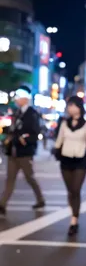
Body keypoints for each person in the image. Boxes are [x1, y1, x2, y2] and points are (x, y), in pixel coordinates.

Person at [54, 96, 86, 235]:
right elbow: (59, 140)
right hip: (66, 160)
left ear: (79, 107)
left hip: (81, 161)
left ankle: (74, 220)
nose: (70, 108)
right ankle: (74, 213)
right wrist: (55, 152)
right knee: (70, 191)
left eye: (72, 105)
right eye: (69, 105)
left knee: (75, 189)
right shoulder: (64, 123)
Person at [0, 86, 45, 215]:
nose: (16, 100)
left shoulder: (32, 114)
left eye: (18, 97)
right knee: (10, 179)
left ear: (25, 99)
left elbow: (35, 133)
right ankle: (2, 204)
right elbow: (12, 129)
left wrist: (25, 138)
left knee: (29, 178)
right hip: (13, 151)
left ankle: (40, 199)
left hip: (25, 153)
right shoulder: (16, 113)